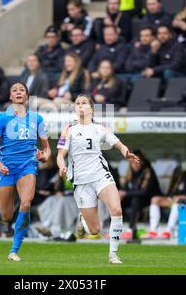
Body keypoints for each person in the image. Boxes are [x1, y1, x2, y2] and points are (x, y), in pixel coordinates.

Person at [57, 94, 139, 264]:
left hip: (101, 176)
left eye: (84, 103)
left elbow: (117, 143)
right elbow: (60, 155)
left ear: (92, 109)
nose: (80, 106)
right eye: (77, 103)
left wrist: (126, 153)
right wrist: (61, 166)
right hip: (81, 181)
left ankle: (113, 255)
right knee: (94, 230)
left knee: (116, 210)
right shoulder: (68, 129)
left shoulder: (100, 127)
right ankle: (83, 219)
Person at [0, 82, 51, 261]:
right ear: (10, 97)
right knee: (6, 217)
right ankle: (3, 199)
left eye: (22, 90)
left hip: (27, 166)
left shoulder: (37, 119)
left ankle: (14, 250)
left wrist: (43, 157)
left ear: (27, 96)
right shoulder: (3, 118)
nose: (18, 92)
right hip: (7, 169)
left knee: (26, 203)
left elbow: (47, 148)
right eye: (14, 90)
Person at [142, 147, 186, 240]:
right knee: (155, 199)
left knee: (177, 202)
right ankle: (153, 231)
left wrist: (185, 196)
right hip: (177, 199)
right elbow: (176, 188)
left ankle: (169, 231)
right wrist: (172, 195)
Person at [120, 149, 161, 243]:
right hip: (135, 198)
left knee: (136, 199)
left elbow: (144, 192)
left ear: (142, 161)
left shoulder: (147, 171)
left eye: (137, 161)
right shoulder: (130, 173)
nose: (135, 164)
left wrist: (126, 193)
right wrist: (121, 193)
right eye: (132, 162)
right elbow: (125, 189)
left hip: (149, 199)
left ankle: (131, 229)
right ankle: (115, 227)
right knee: (118, 198)